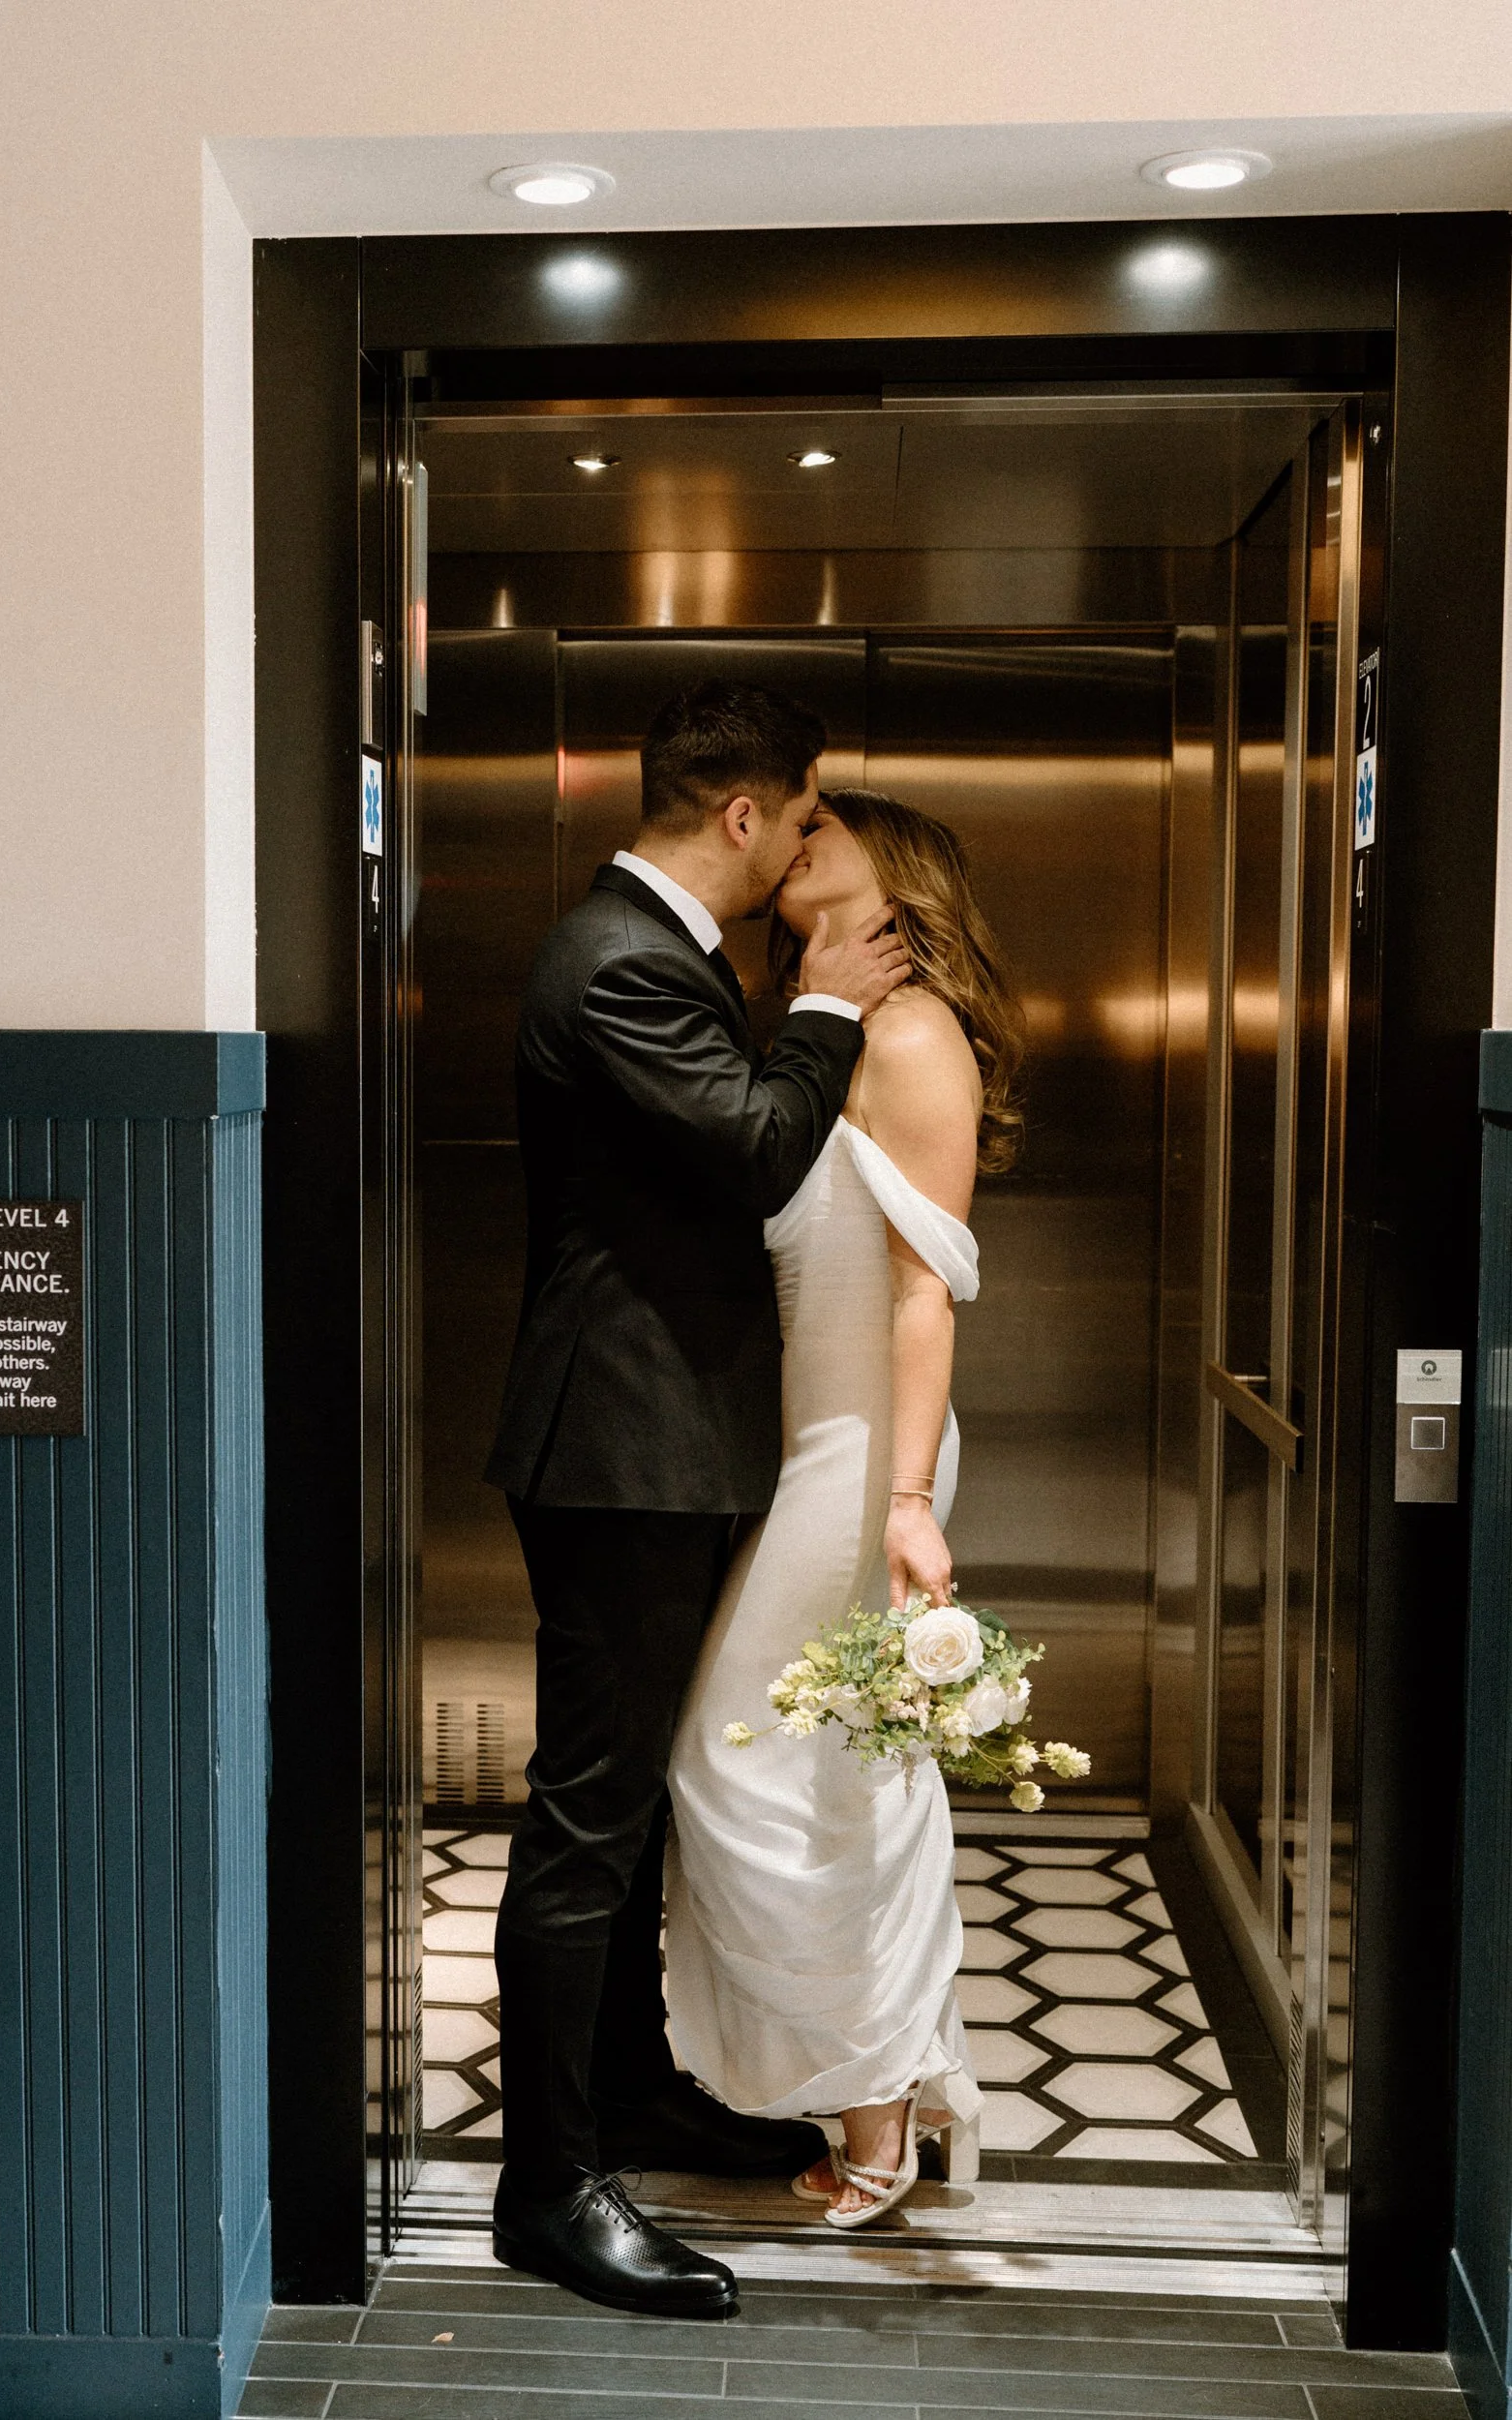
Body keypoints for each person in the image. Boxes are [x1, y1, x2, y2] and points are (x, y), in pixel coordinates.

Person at [484, 686, 911, 2315]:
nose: (810, 848)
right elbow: (747, 1149)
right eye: (803, 821)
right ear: (743, 817)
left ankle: (637, 2091)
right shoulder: (613, 963)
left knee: (638, 1800)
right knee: (588, 1817)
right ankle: (551, 2188)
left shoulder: (649, 954)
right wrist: (823, 1010)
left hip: (665, 1445)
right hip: (618, 1452)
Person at [665, 787, 1024, 2227]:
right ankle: (874, 2101)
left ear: (902, 875)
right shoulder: (824, 1026)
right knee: (802, 1766)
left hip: (864, 1458)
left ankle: (874, 2119)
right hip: (815, 1446)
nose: (798, 841)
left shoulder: (915, 1029)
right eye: (791, 829)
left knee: (771, 1766)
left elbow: (924, 1289)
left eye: (831, 829)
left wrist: (901, 1499)